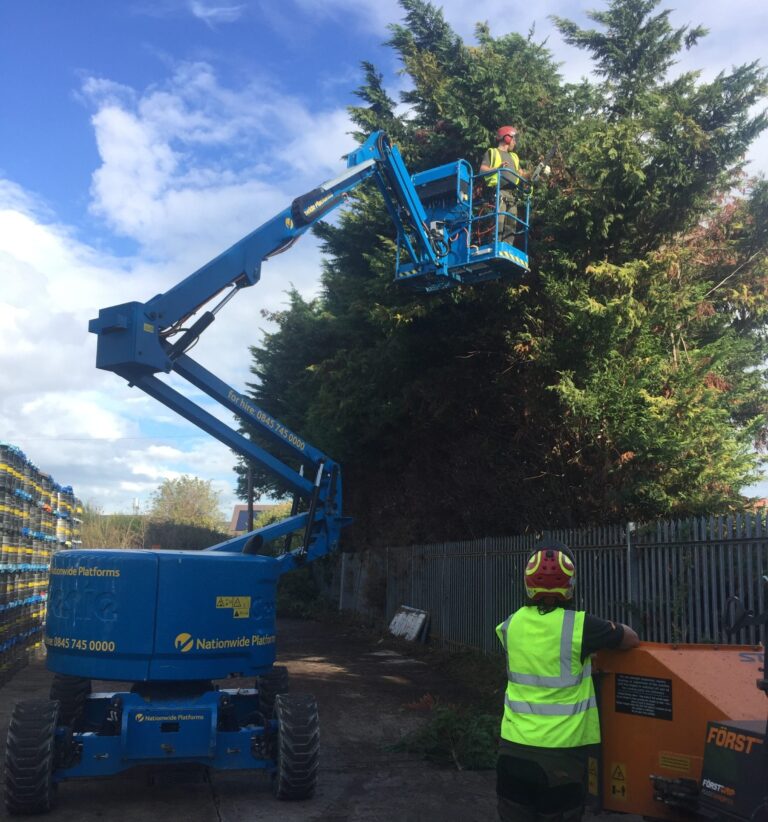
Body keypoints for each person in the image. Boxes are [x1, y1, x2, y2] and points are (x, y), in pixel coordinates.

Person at [495, 540, 640, 822]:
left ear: (528, 583)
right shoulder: (581, 626)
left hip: (511, 752)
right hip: (560, 759)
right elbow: (630, 638)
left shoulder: (509, 626)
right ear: (570, 585)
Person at [479, 126, 528, 244]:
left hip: (512, 194)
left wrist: (535, 174)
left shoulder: (514, 157)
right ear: (506, 138)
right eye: (513, 139)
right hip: (499, 191)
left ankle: (507, 248)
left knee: (511, 224)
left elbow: (522, 174)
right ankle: (495, 244)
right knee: (499, 221)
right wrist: (498, 168)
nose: (515, 142)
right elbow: (482, 170)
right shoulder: (492, 152)